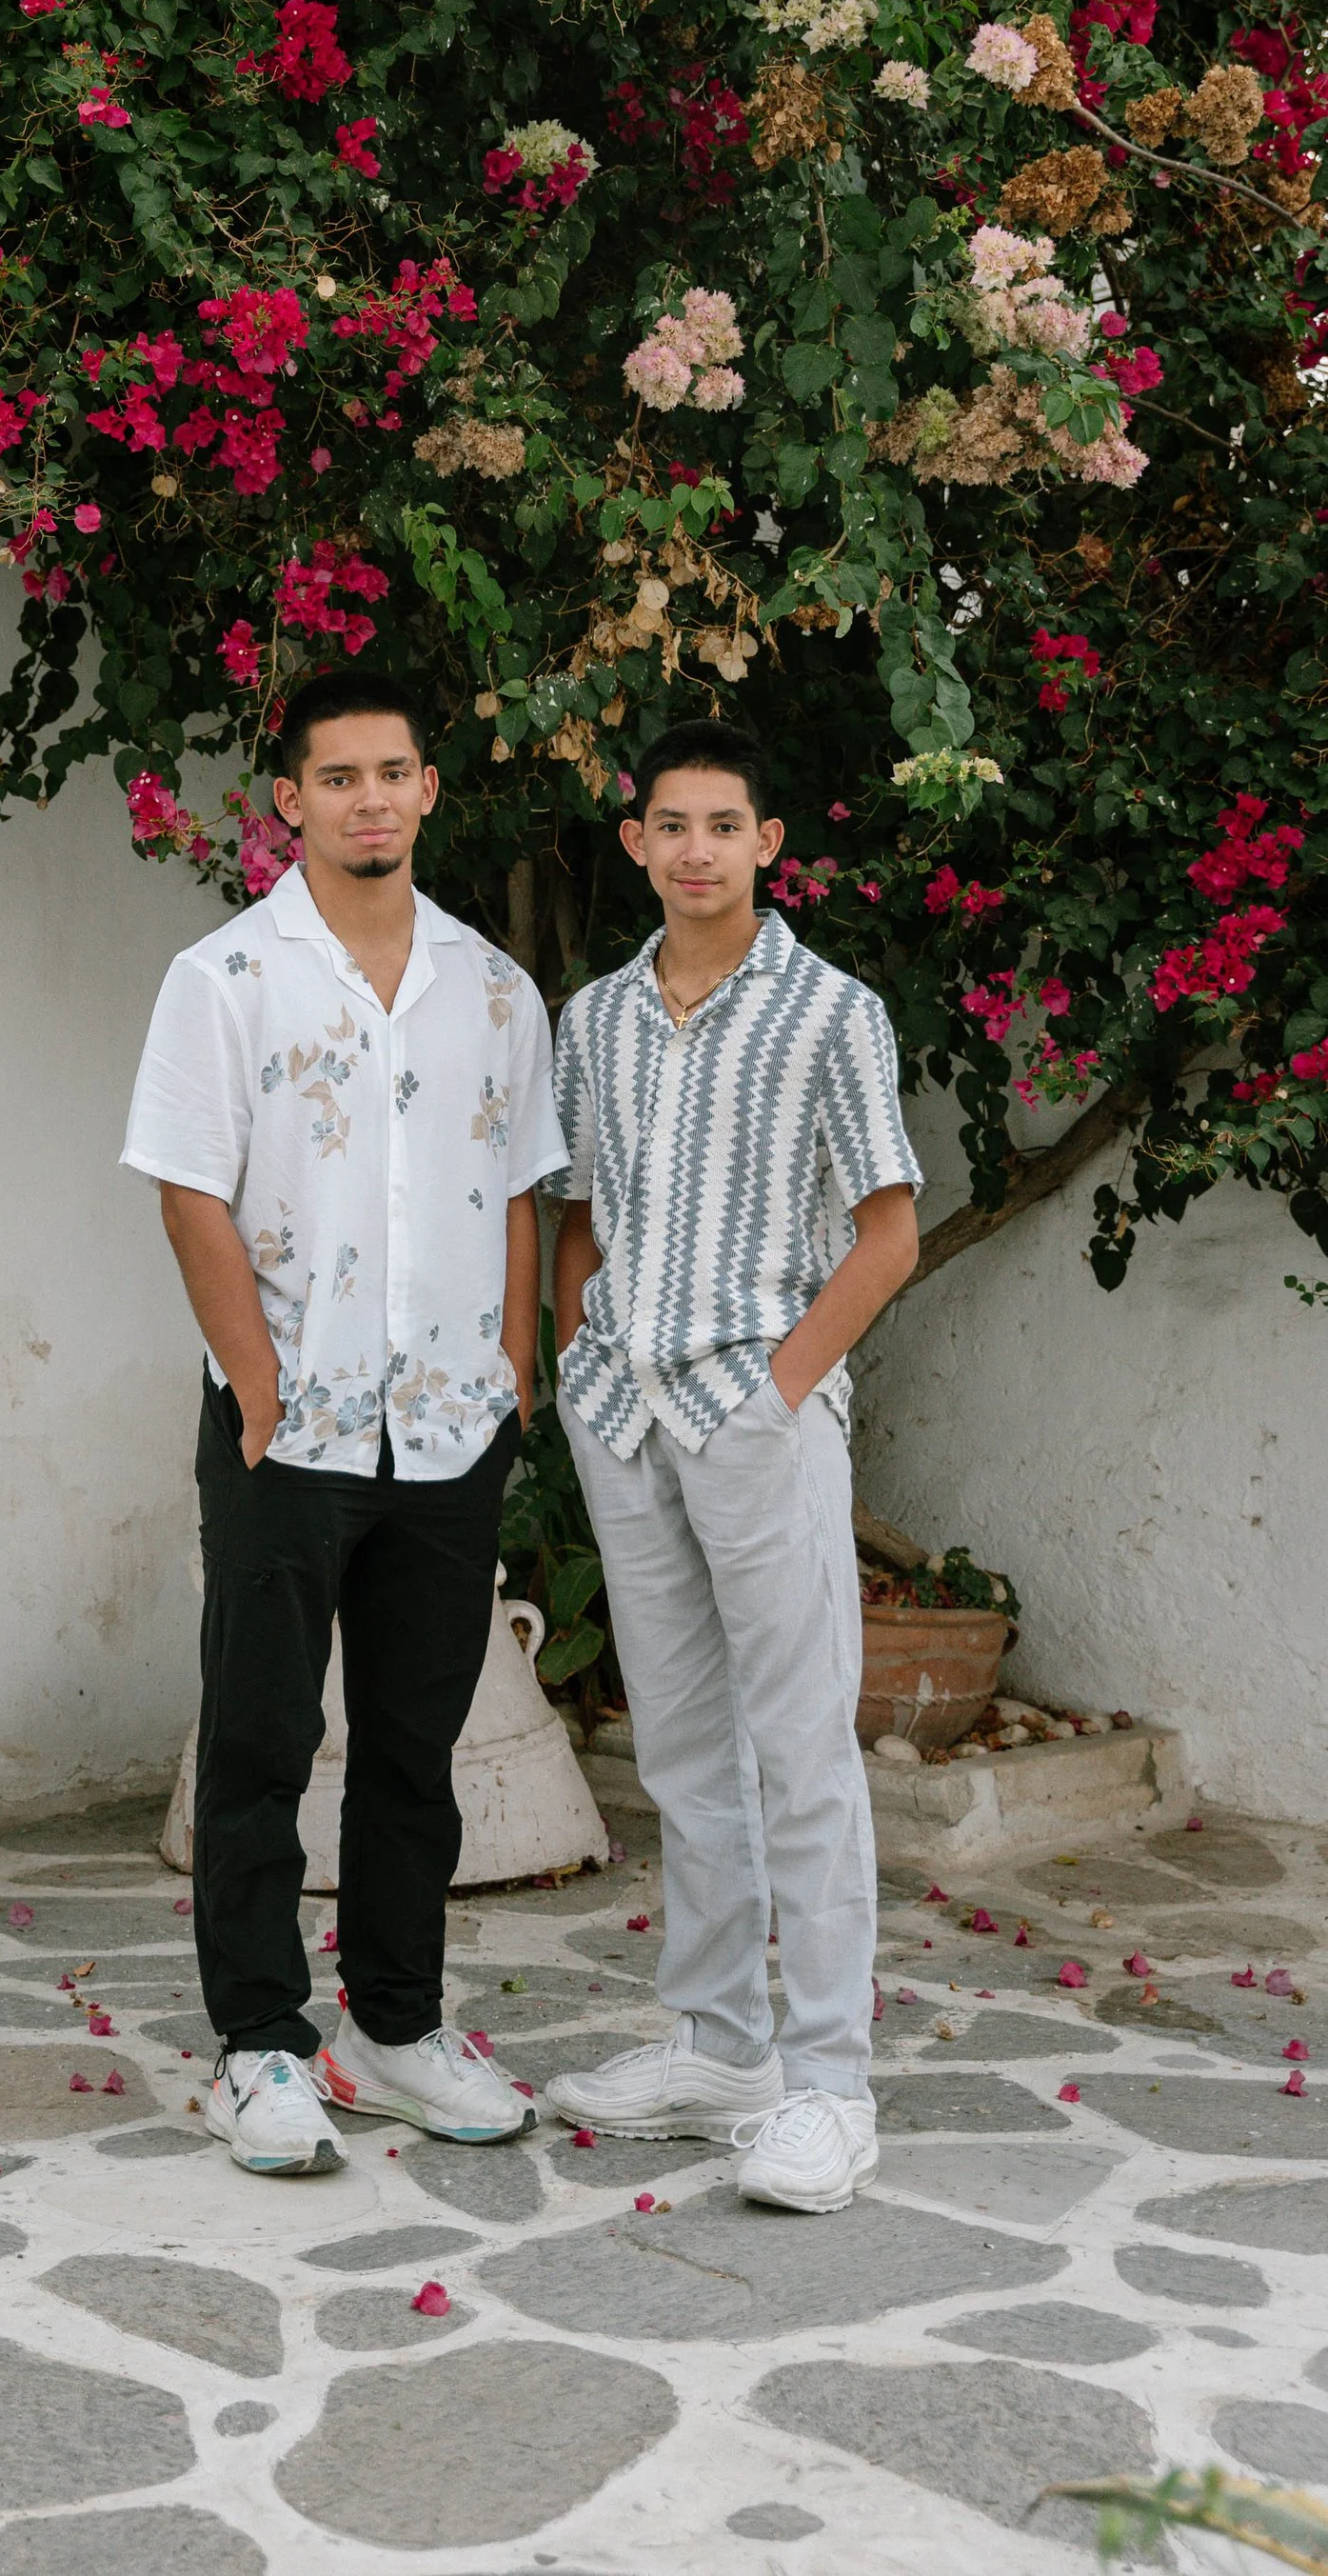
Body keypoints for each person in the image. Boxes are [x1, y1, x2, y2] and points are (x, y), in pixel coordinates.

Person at [122, 671, 565, 2177]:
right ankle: (260, 2045)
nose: (370, 798)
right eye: (340, 776)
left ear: (430, 790)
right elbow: (188, 1187)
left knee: (415, 1749)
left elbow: (520, 1188)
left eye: (395, 772)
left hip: (448, 1428)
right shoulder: (225, 980)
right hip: (284, 1430)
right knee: (255, 1742)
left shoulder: (497, 992)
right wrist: (253, 1382)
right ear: (290, 799)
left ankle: (395, 2024)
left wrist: (516, 1363)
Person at [541, 720, 922, 2214]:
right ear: (634, 841)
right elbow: (582, 1211)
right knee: (685, 1753)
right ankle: (719, 2047)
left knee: (804, 1750)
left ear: (771, 844)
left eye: (725, 823)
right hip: (625, 1415)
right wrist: (584, 1347)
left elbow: (886, 1231)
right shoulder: (597, 1021)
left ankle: (829, 2083)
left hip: (757, 1417)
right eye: (669, 823)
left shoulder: (834, 1013)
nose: (695, 847)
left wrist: (780, 1389)